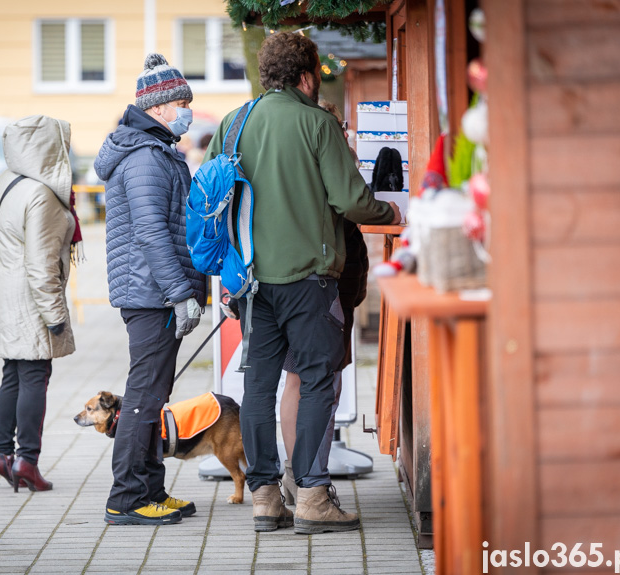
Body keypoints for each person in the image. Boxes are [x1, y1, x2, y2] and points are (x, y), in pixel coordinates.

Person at [203, 32, 400, 534]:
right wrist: (391, 210)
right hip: (308, 280)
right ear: (308, 76)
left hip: (249, 282)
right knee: (317, 381)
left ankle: (265, 496)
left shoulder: (233, 122)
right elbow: (353, 202)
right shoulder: (316, 123)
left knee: (258, 386)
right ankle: (312, 495)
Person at [94, 53, 206, 526]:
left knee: (154, 394)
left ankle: (151, 489)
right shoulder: (144, 158)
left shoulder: (156, 150)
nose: (187, 110)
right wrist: (180, 291)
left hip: (153, 290)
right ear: (157, 108)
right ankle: (126, 499)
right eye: (181, 102)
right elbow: (151, 233)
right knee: (143, 397)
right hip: (152, 294)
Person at [279, 100, 370, 504]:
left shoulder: (288, 155)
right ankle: (308, 484)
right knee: (318, 383)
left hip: (297, 282)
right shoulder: (328, 152)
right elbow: (352, 204)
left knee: (297, 380)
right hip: (323, 284)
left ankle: (294, 479)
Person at [0, 115, 76, 493]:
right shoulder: (42, 195)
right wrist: (56, 316)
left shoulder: (4, 181)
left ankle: (0, 454)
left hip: (2, 294)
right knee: (35, 375)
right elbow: (41, 263)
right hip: (31, 299)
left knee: (12, 374)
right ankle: (27, 461)